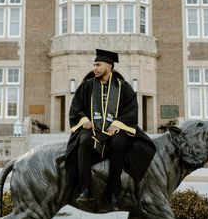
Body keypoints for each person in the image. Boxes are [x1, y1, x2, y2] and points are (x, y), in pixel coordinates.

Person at [65, 49, 156, 208]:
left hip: (115, 129)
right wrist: (84, 120)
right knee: (84, 141)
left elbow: (131, 108)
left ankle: (114, 192)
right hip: (92, 128)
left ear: (109, 66)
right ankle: (85, 189)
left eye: (98, 65)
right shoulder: (87, 86)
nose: (95, 68)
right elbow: (76, 106)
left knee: (119, 144)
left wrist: (118, 123)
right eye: (94, 65)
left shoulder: (123, 87)